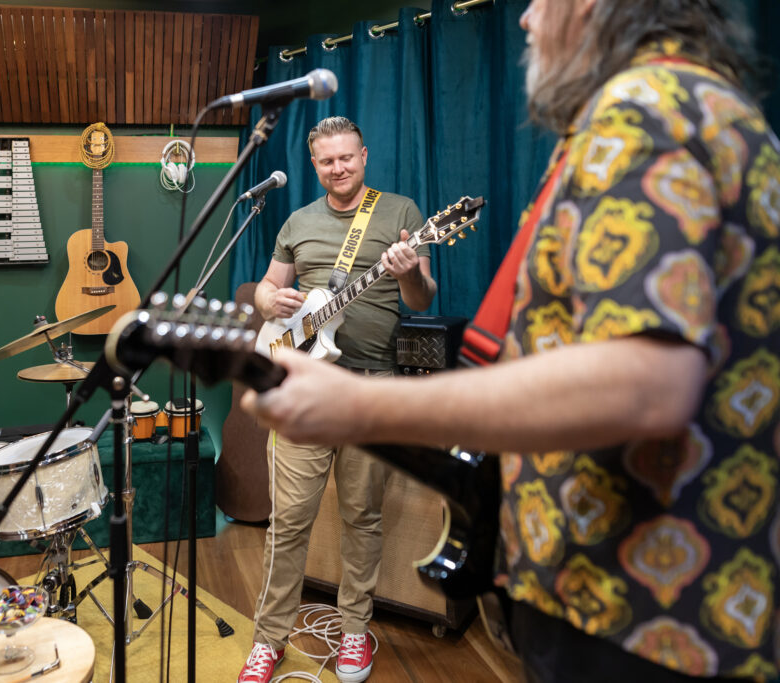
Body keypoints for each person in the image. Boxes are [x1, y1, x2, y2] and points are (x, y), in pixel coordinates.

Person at [242, 1, 780, 681]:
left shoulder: (645, 111)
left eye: (540, 1)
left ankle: (354, 630)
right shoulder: (697, 106)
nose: (525, 19)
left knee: (363, 517)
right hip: (666, 596)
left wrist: (359, 407)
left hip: (636, 604)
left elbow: (643, 384)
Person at [237, 116, 437, 683]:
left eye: (346, 157)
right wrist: (269, 299)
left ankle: (354, 633)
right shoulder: (297, 221)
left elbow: (421, 297)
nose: (338, 168)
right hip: (301, 383)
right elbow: (268, 289)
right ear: (315, 164)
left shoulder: (401, 213)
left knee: (362, 516)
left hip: (370, 386)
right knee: (289, 522)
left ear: (364, 155)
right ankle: (268, 639)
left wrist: (405, 273)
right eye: (327, 161)